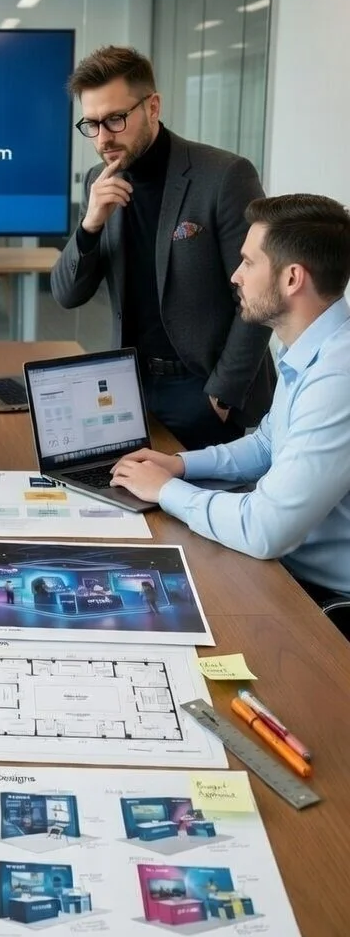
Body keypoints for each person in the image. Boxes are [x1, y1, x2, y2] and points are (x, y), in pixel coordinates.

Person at [110, 194, 350, 610]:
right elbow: (267, 444)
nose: (236, 276)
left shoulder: (338, 377)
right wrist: (181, 465)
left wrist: (166, 490)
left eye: (249, 262)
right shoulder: (316, 350)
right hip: (284, 569)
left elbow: (264, 529)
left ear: (292, 278)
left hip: (323, 604)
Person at [51, 46, 275, 450]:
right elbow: (68, 294)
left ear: (152, 107)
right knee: (130, 503)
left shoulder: (224, 175)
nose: (103, 138)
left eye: (115, 119)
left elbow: (258, 294)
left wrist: (223, 393)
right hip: (126, 386)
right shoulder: (96, 182)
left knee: (194, 508)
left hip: (201, 389)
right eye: (92, 124)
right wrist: (90, 225)